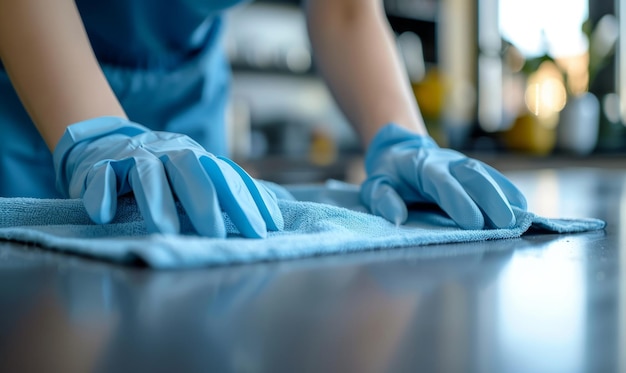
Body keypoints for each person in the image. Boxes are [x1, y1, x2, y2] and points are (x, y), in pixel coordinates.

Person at [0, 0, 527, 238]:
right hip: (30, 78)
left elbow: (345, 9)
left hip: (186, 95)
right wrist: (98, 130)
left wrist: (401, 135)